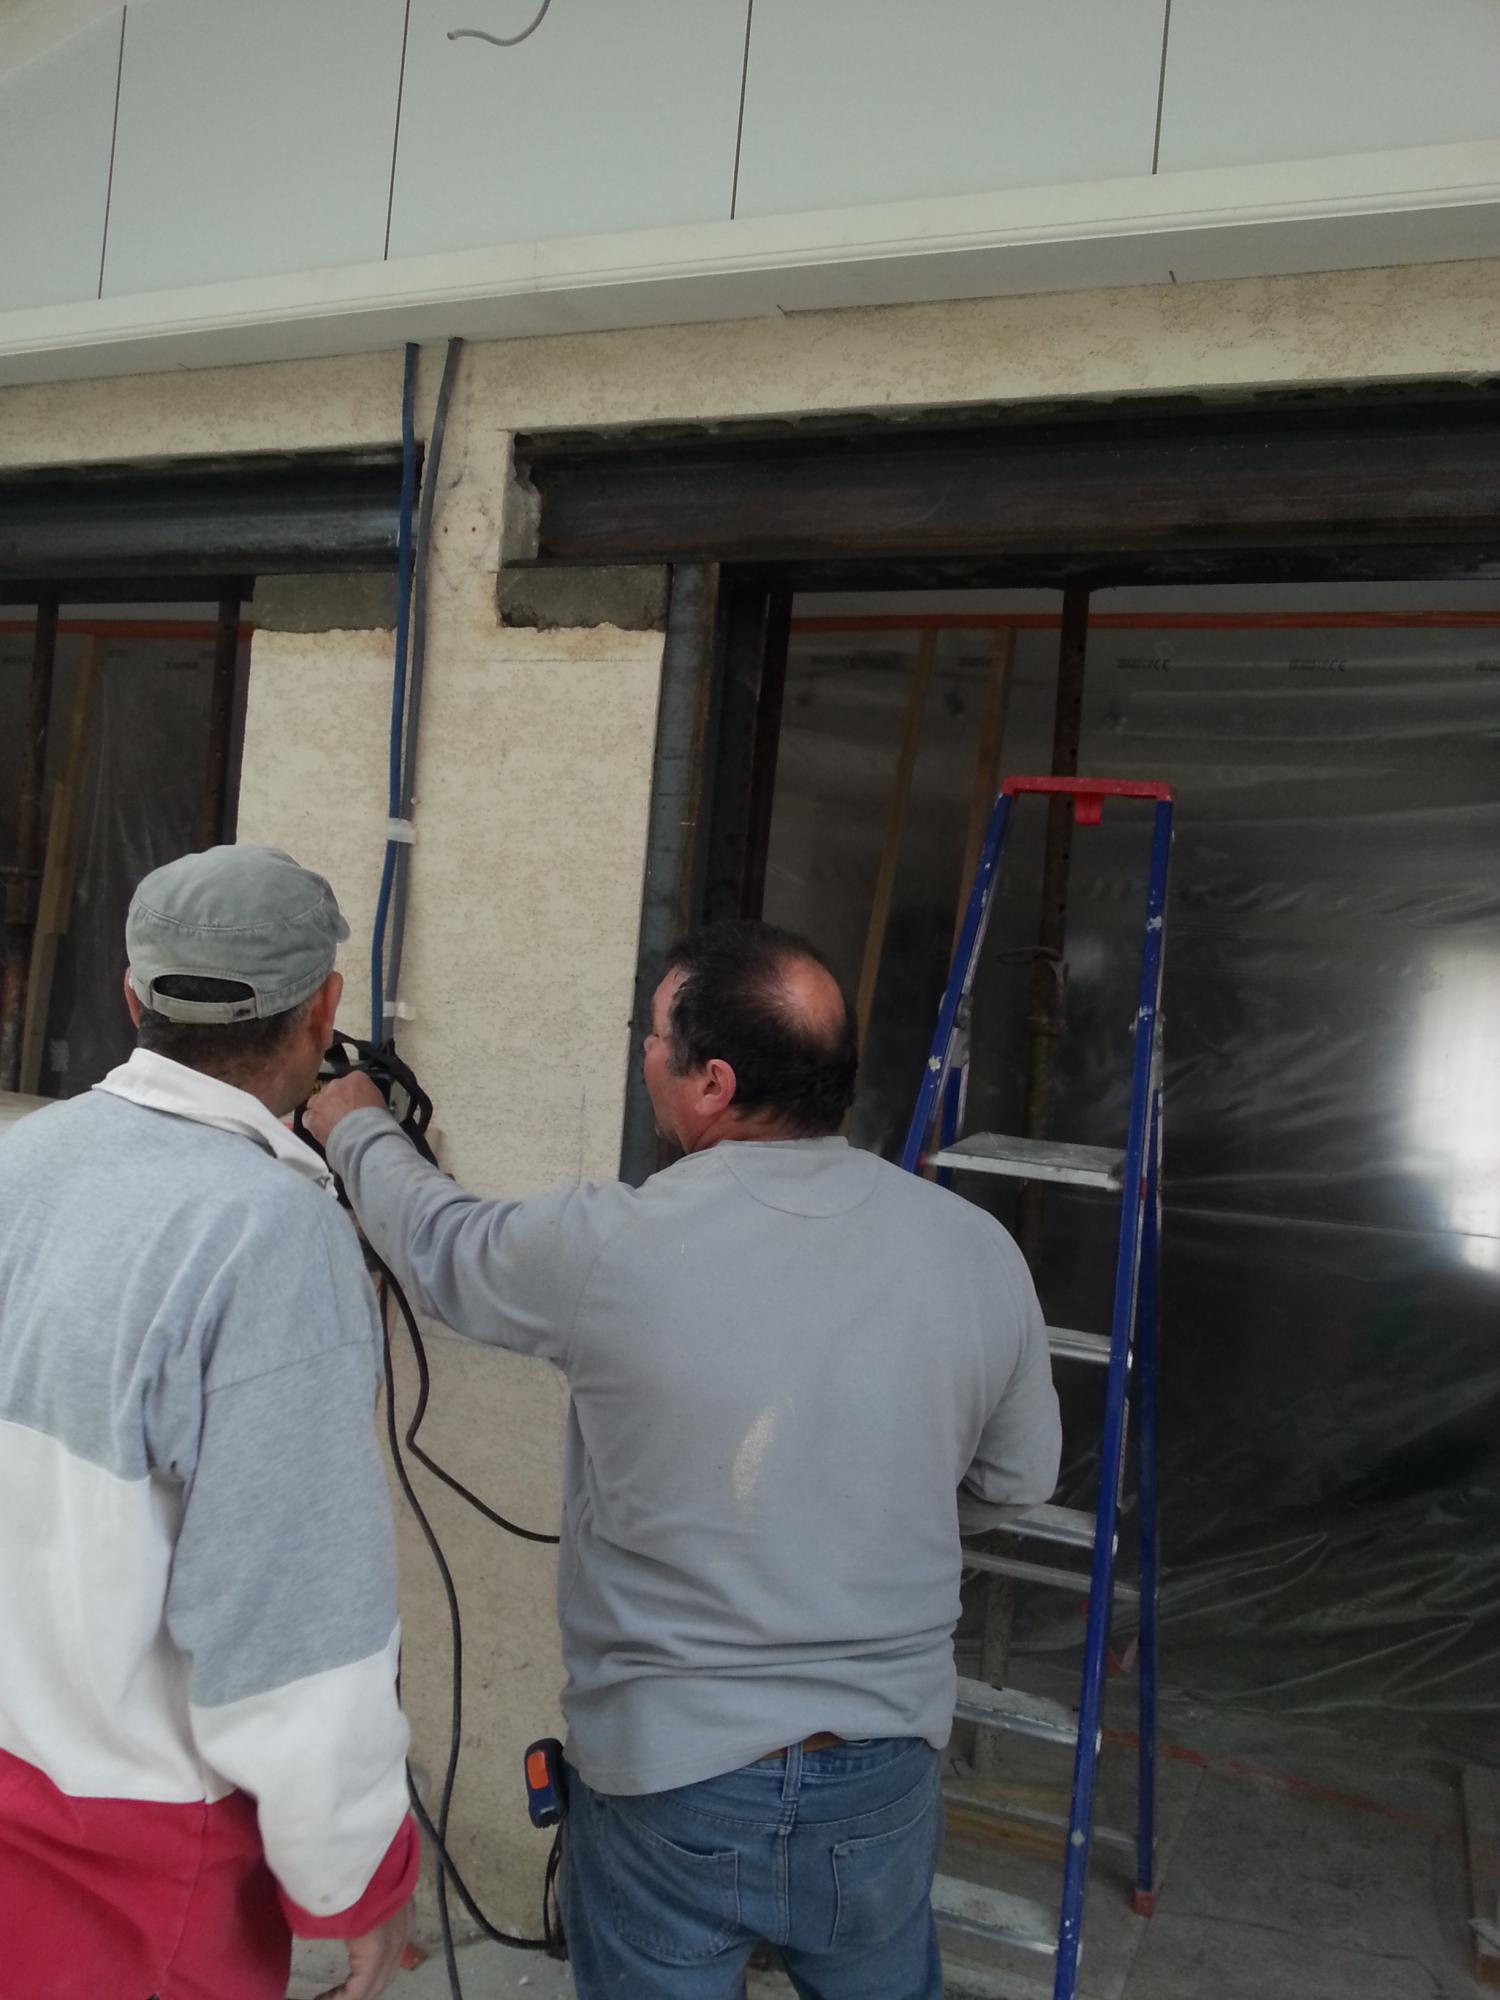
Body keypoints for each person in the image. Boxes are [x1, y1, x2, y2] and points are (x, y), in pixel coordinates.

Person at [305, 918, 1062, 2000]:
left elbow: (440, 1247)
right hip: (881, 1773)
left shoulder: (612, 1243)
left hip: (673, 1782)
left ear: (713, 1082)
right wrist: (870, 1504)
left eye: (654, 1037)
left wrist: (355, 1127)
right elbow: (1015, 1482)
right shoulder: (976, 1249)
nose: (645, 1056)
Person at [0, 846, 417, 2000]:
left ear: (132, 995)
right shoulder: (271, 1233)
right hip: (139, 1863)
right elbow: (289, 1617)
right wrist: (356, 1879)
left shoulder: (19, 1161)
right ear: (323, 1009)